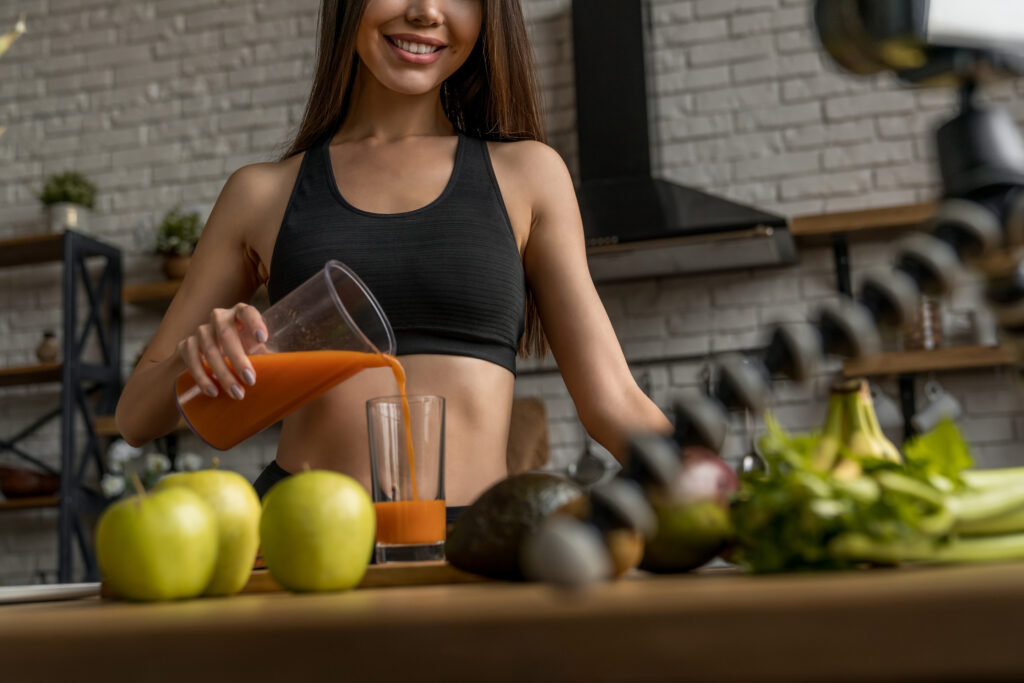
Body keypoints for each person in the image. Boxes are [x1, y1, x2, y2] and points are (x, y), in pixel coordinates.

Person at [115, 0, 672, 514]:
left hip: (474, 547)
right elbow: (136, 416)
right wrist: (202, 357)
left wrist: (719, 492)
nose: (426, 11)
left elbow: (613, 401)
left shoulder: (528, 175)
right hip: (303, 544)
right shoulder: (261, 193)